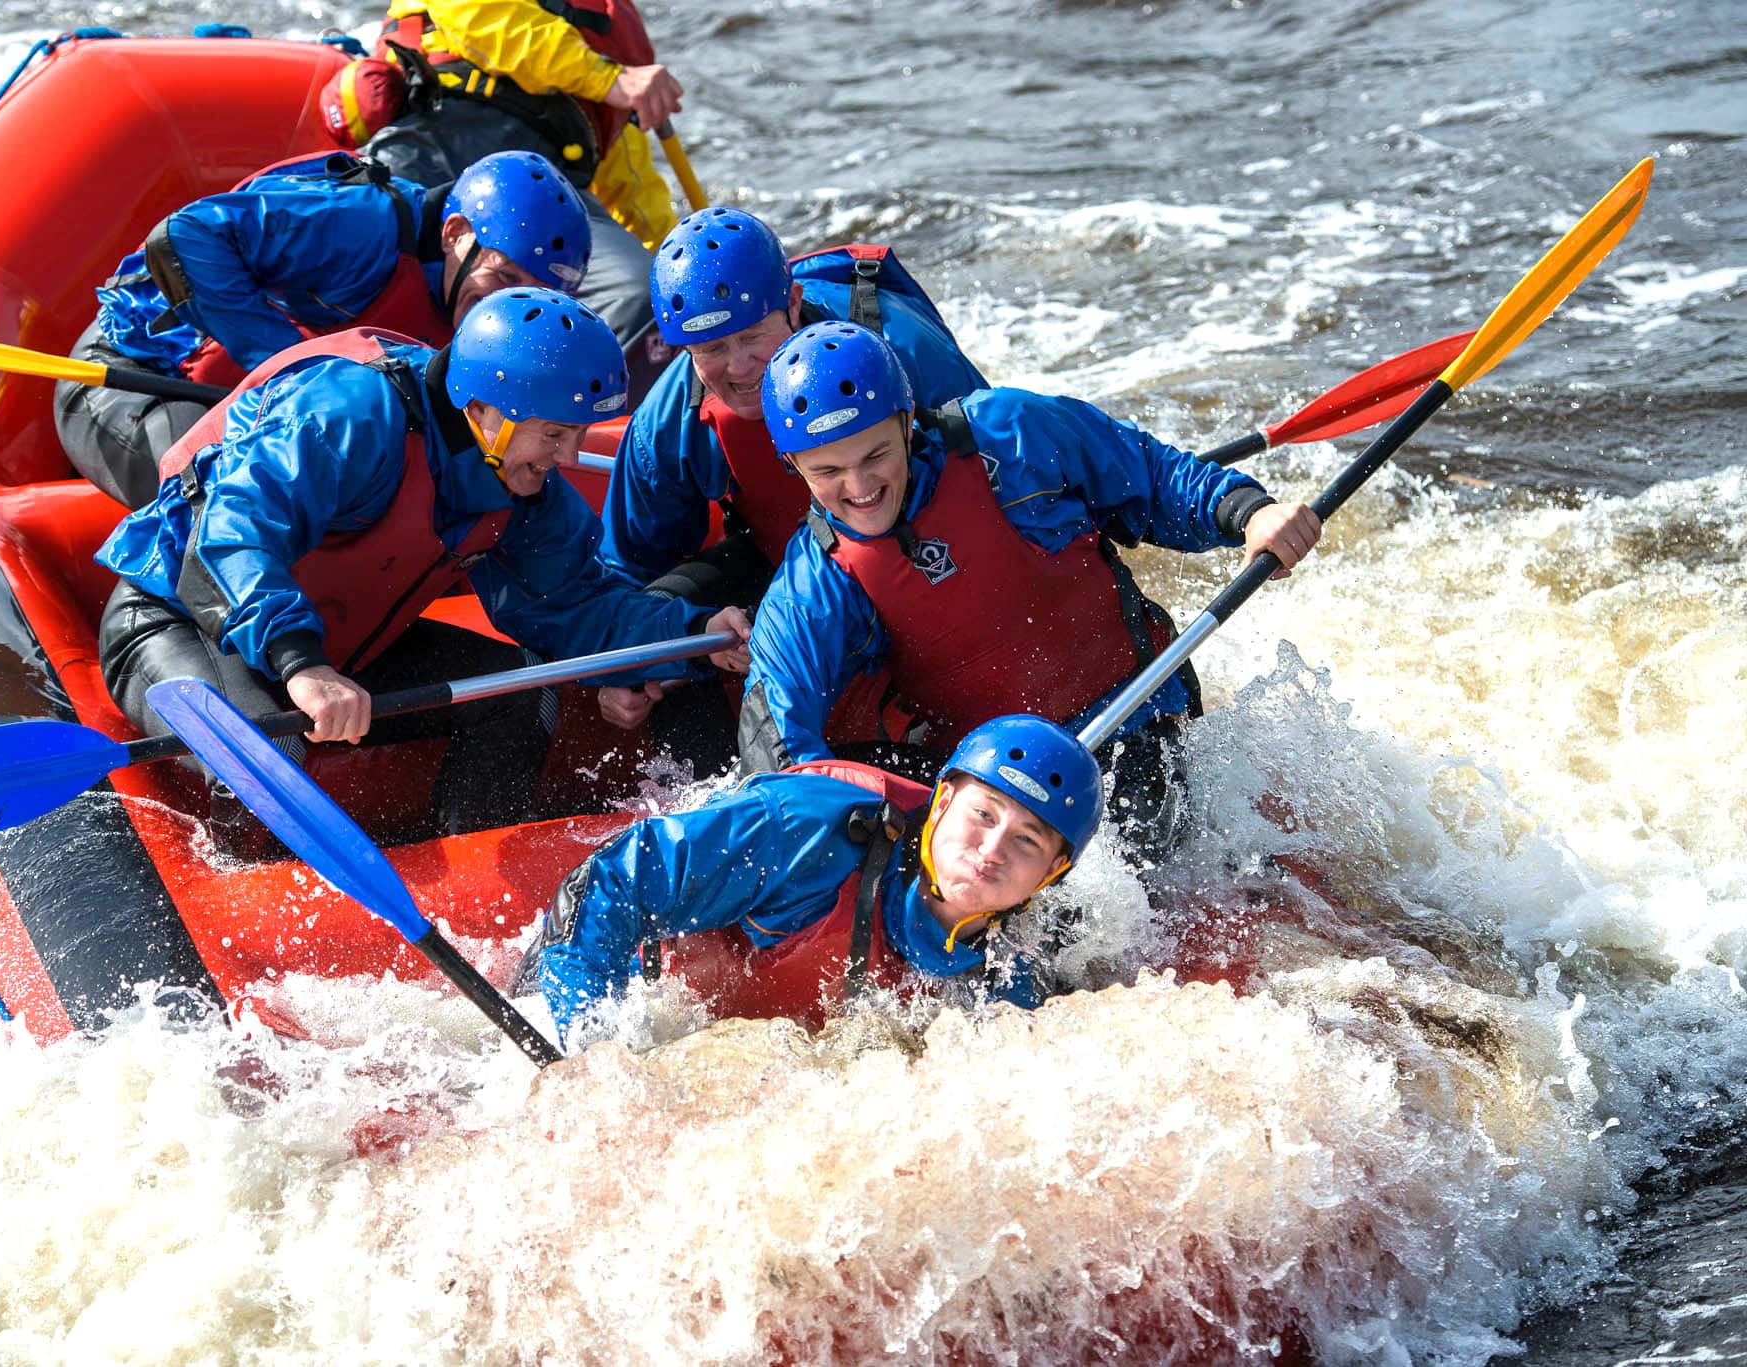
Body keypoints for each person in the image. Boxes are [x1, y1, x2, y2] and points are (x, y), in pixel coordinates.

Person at [94, 287, 749, 838]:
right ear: (484, 411)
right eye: (555, 433)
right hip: (177, 619)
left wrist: (696, 632)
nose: (569, 456)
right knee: (263, 764)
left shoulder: (522, 489)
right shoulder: (355, 414)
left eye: (574, 435)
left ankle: (473, 887)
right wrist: (302, 664)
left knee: (522, 690)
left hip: (337, 646)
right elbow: (231, 532)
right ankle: (260, 913)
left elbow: (580, 606)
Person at [740, 322, 1323, 863]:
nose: (861, 487)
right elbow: (779, 742)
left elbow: (1153, 476)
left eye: (875, 455)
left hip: (1134, 722)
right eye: (829, 472)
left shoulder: (1010, 435)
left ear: (906, 418)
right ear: (792, 464)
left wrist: (1249, 513)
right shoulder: (814, 583)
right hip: (995, 796)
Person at [592, 206, 990, 773]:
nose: (739, 367)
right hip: (786, 562)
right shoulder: (671, 423)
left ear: (795, 305)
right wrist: (623, 669)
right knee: (661, 625)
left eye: (753, 336)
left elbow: (1005, 486)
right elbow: (624, 573)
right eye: (710, 351)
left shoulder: (899, 351)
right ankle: (709, 796)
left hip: (924, 550)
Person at [521, 713, 1101, 1047]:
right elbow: (608, 883)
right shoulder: (806, 832)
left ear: (1052, 873)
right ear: (944, 802)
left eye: (1027, 840)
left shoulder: (1010, 970)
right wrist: (590, 1056)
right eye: (983, 813)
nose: (992, 850)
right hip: (601, 978)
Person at [56, 149, 591, 508]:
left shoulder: (476, 307)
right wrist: (299, 372)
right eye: (501, 276)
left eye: (526, 293)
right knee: (234, 500)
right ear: (455, 235)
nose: (502, 305)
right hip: (132, 377)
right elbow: (183, 238)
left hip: (241, 407)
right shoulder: (361, 226)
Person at [365, 0, 682, 391]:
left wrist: (680, 270)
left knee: (639, 292)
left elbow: (632, 180)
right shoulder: (609, 74)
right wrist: (606, 78)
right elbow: (476, 16)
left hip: (549, 189)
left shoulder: (616, 33)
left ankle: (577, 425)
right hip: (431, 145)